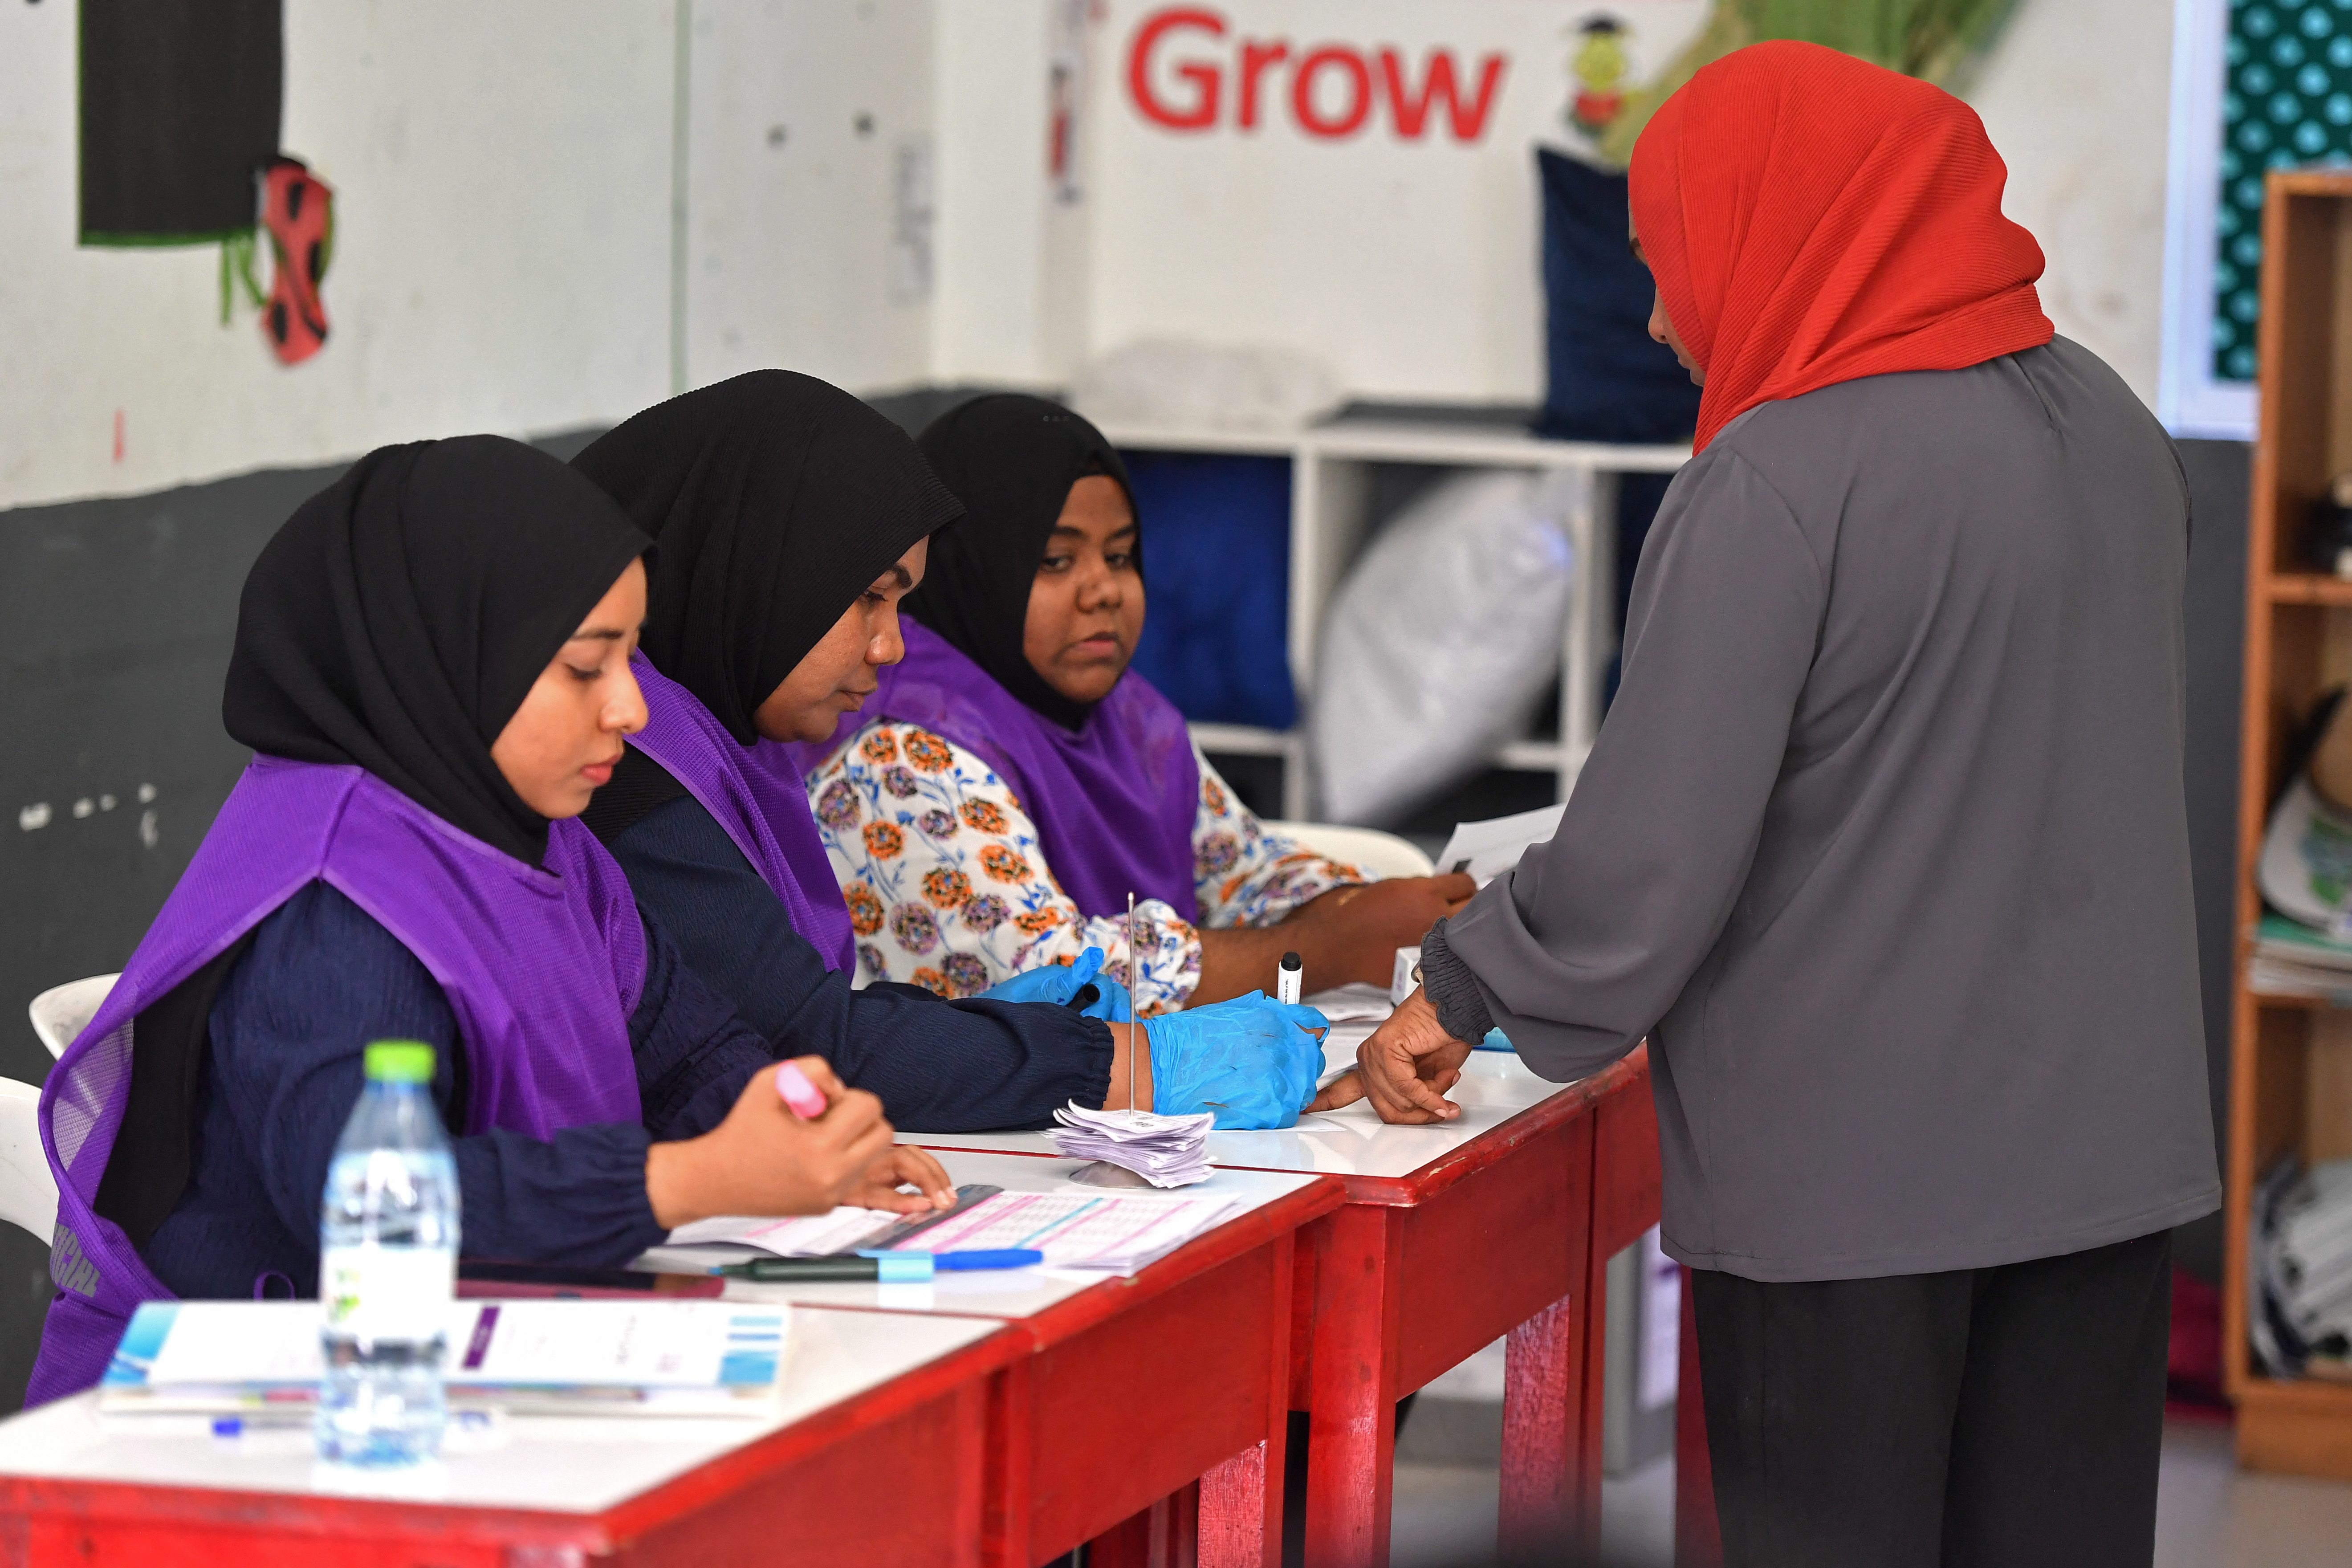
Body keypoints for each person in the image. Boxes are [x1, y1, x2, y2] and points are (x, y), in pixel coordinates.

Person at [1318, 43, 2218, 1568]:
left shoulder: (1782, 474)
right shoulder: (2118, 432)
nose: (1665, 322)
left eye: (1672, 266)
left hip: (1857, 1188)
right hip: (2110, 1161)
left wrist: (1460, 990)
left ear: (1790, 231)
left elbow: (1651, 854)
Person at [30, 438, 948, 1405]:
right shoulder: (335, 895)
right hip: (232, 1424)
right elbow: (370, 1207)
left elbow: (680, 1045)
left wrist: (799, 1134)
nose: (632, 709)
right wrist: (692, 1180)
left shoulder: (538, 838)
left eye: (633, 659)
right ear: (455, 653)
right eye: (585, 669)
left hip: (450, 1371)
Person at [573, 373, 1327, 1132]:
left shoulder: (725, 742)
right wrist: (1127, 1064)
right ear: (757, 568)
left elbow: (795, 1009)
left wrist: (1006, 1026)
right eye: (868, 595)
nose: (892, 645)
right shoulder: (622, 770)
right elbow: (808, 1043)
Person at [802, 393, 1474, 1014]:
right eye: (1056, 562)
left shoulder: (1124, 715)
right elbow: (1055, 979)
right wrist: (1327, 948)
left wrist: (1360, 903)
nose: (1105, 592)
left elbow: (1237, 867)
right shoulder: (900, 751)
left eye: (1121, 556)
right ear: (967, 567)